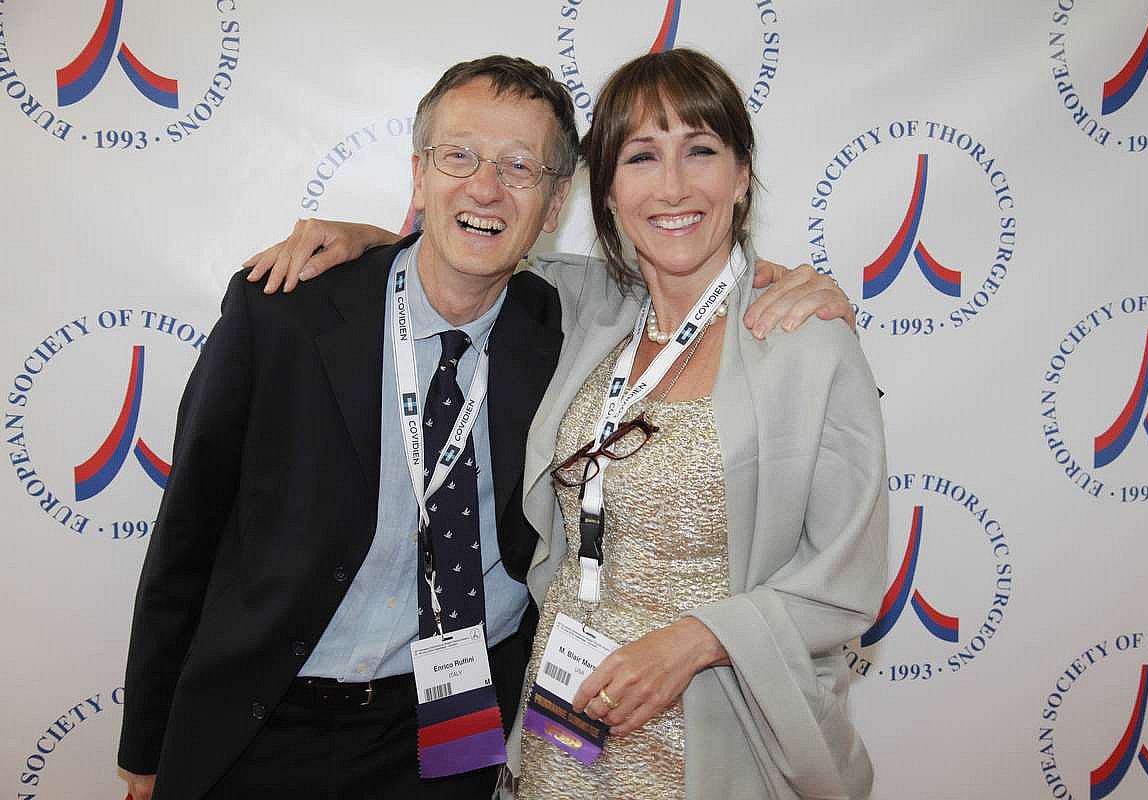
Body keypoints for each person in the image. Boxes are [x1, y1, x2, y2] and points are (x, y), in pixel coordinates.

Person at [117, 56, 850, 800]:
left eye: (519, 167)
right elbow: (187, 533)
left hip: (455, 736)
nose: (486, 187)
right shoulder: (284, 313)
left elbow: (687, 266)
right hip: (264, 723)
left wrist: (794, 285)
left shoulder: (566, 327)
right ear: (419, 174)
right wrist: (146, 749)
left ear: (556, 201)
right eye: (459, 157)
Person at [510, 49, 887, 799]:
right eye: (642, 156)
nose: (674, 186)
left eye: (701, 151)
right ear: (607, 191)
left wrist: (696, 641)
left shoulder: (807, 342)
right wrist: (356, 239)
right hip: (566, 729)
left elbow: (845, 580)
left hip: (721, 735)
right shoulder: (589, 315)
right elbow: (470, 247)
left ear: (742, 175)